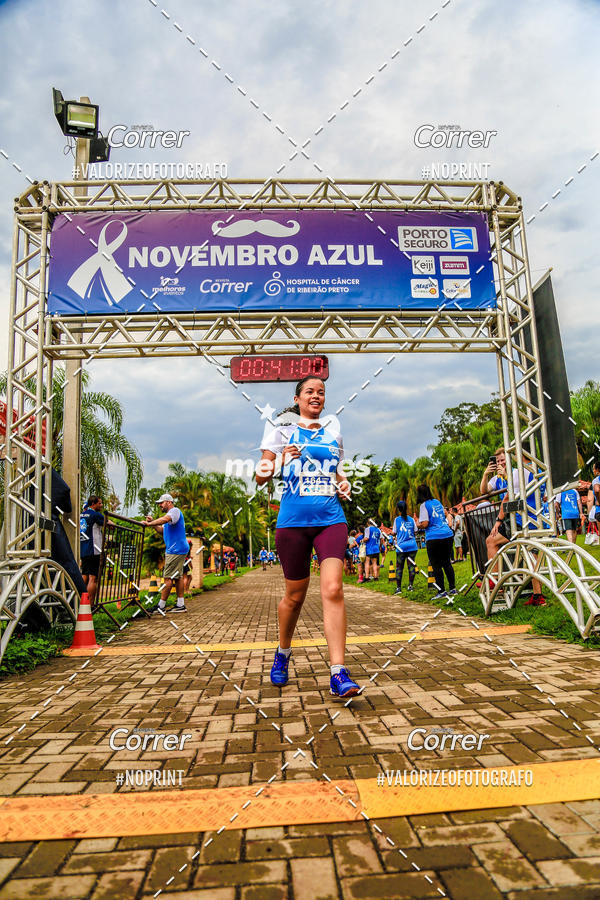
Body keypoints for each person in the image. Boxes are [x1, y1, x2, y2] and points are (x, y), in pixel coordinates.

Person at [256, 375, 359, 698]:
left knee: (333, 588)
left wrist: (345, 484)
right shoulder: (280, 432)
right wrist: (282, 461)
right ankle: (282, 652)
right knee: (295, 597)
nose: (317, 396)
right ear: (298, 399)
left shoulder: (334, 435)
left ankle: (338, 673)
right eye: (310, 392)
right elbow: (259, 477)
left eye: (321, 392)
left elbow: (337, 472)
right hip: (292, 523)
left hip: (330, 519)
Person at [485, 457, 545, 605]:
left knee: (491, 540)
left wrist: (498, 521)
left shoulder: (519, 472)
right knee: (532, 557)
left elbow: (508, 499)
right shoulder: (540, 470)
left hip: (522, 522)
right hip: (540, 518)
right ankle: (538, 596)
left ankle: (495, 580)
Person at [145, 493, 188, 613]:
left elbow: (165, 519)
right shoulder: (170, 515)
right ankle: (180, 605)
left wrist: (149, 523)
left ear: (169, 502)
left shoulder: (174, 511)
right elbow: (162, 530)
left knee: (168, 578)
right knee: (178, 577)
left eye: (161, 503)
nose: (160, 505)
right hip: (178, 549)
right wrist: (153, 523)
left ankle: (161, 606)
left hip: (175, 550)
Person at [416, 485, 456, 599]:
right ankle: (453, 588)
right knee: (447, 563)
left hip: (434, 537)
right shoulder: (437, 502)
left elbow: (425, 524)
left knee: (436, 565)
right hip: (447, 534)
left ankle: (441, 591)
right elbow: (443, 514)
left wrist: (418, 524)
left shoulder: (424, 505)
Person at [80, 495, 104, 605]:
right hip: (94, 549)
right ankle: (90, 604)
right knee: (93, 578)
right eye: (99, 503)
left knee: (84, 575)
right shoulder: (95, 515)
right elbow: (107, 523)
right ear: (93, 504)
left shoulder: (82, 514)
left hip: (83, 548)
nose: (101, 505)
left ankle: (81, 603)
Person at [392, 500, 418, 595]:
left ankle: (398, 588)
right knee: (411, 566)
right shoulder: (411, 519)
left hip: (401, 547)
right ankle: (410, 586)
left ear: (399, 509)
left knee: (399, 567)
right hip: (412, 546)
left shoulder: (397, 520)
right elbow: (415, 531)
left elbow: (394, 532)